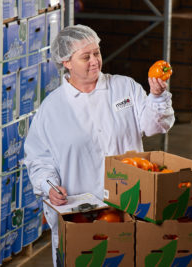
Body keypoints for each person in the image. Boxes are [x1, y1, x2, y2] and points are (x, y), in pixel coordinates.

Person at [24, 24, 175, 266]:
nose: (95, 61)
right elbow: (39, 159)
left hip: (130, 205)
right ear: (66, 62)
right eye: (86, 57)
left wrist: (156, 96)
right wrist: (49, 185)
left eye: (97, 53)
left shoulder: (124, 88)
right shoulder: (52, 109)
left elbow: (156, 126)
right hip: (82, 215)